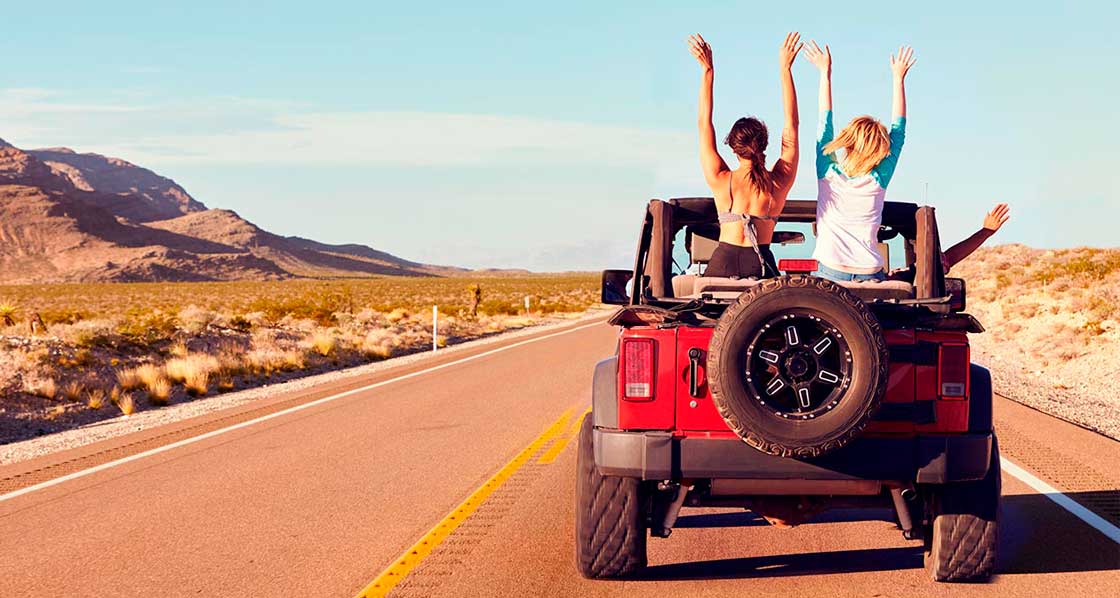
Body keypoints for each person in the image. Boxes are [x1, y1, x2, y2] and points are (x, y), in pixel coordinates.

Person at [687, 32, 803, 279]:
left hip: (723, 263)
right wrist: (785, 69)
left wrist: (707, 71)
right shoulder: (778, 182)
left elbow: (703, 123)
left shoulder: (720, 179)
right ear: (764, 145)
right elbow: (792, 125)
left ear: (732, 146)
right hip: (760, 264)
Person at [803, 41, 916, 282]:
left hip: (830, 271)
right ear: (879, 148)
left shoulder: (828, 173)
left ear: (848, 141)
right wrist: (899, 80)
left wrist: (825, 74)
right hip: (870, 273)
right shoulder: (879, 178)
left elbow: (824, 124)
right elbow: (899, 131)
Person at [942, 203, 1011, 272]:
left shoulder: (934, 262)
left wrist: (986, 232)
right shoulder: (934, 263)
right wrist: (985, 232)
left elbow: (946, 260)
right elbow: (947, 260)